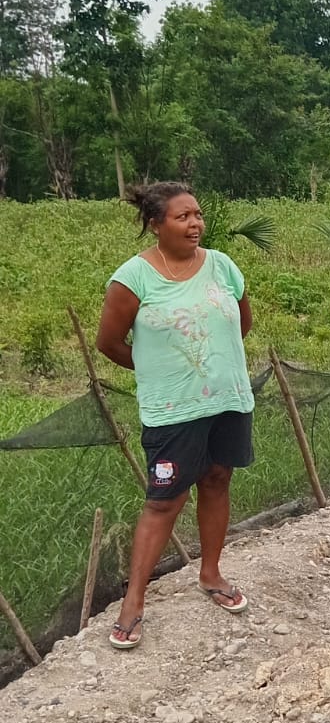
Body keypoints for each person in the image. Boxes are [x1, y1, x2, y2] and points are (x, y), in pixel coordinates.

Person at [96, 183, 256, 649]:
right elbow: (109, 343)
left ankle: (211, 574)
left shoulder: (223, 266)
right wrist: (158, 371)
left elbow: (241, 323)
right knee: (163, 499)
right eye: (183, 217)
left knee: (217, 479)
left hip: (226, 401)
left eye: (198, 215)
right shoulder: (133, 279)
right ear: (155, 223)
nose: (195, 224)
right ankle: (133, 602)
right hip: (171, 410)